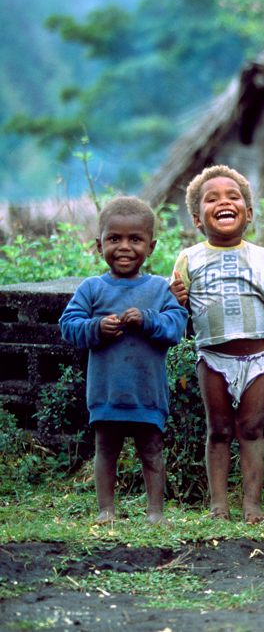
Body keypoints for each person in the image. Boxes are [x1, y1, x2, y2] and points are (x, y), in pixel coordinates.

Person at [169, 166, 264, 524]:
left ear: (249, 213)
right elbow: (178, 308)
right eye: (212, 199)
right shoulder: (189, 258)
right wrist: (175, 297)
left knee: (252, 428)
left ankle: (252, 503)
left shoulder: (262, 256)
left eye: (233, 197)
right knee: (219, 429)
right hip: (213, 358)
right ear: (197, 218)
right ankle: (218, 504)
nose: (224, 202)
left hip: (259, 359)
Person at [60, 196, 187, 525]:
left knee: (152, 452)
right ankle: (106, 510)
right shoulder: (91, 289)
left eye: (135, 239)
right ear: (98, 245)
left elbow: (176, 328)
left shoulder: (160, 289)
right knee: (106, 451)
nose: (125, 247)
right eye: (114, 239)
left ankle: (155, 512)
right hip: (106, 393)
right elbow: (69, 327)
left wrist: (147, 320)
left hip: (147, 392)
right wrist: (96, 327)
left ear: (152, 246)